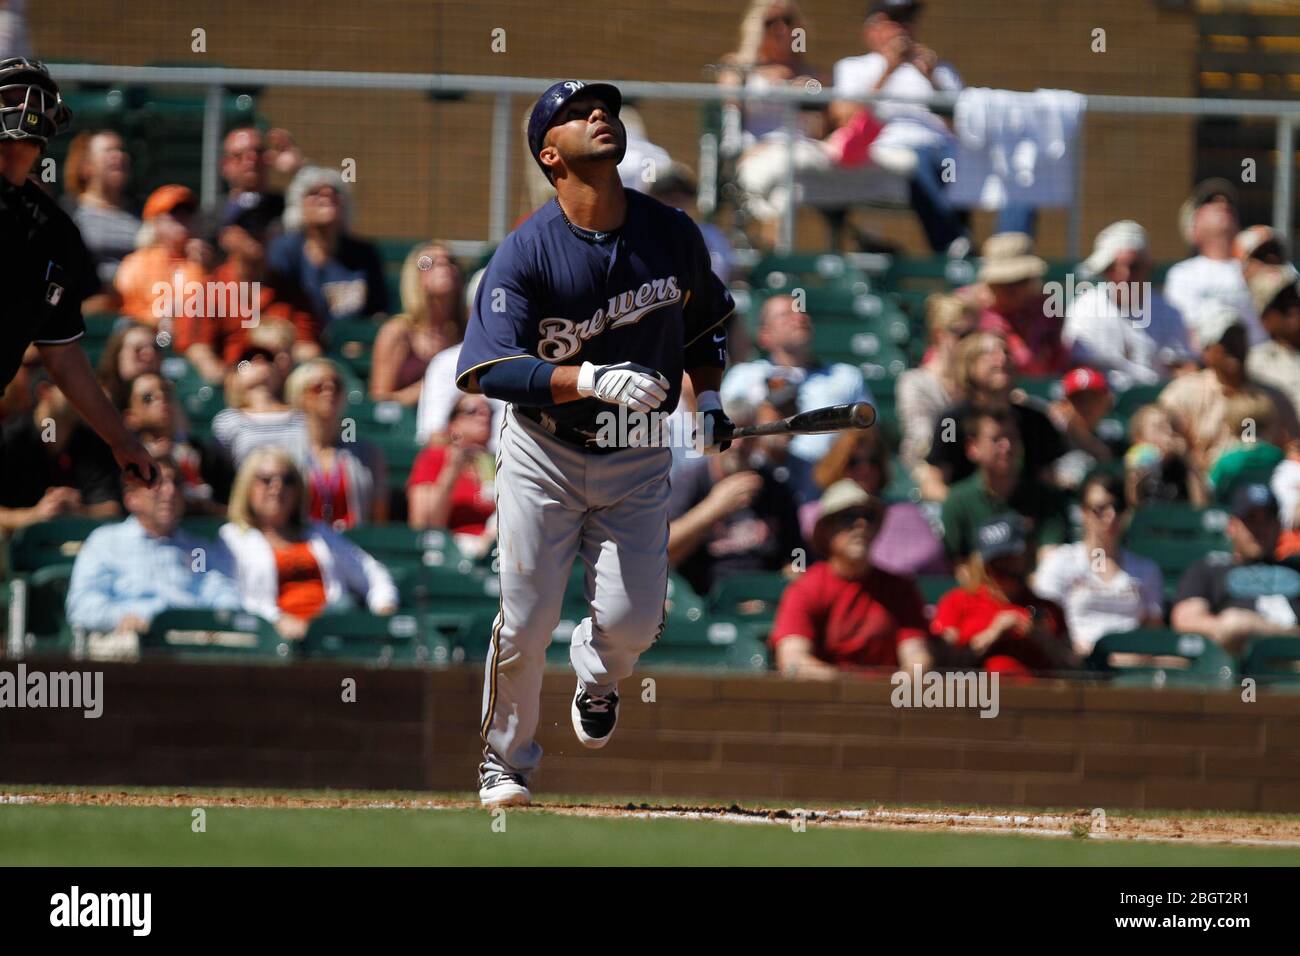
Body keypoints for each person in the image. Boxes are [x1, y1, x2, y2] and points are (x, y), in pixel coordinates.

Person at [454, 80, 735, 807]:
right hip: (543, 452)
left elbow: (707, 323)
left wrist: (707, 400)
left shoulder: (671, 233)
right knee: (526, 617)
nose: (599, 115)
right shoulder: (524, 252)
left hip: (638, 452)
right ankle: (503, 763)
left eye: (603, 107)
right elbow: (489, 369)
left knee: (634, 621)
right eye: (578, 114)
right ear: (552, 155)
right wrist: (590, 379)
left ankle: (598, 673)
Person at [0, 58, 154, 490]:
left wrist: (120, 440)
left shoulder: (55, 230)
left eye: (38, 98)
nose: (27, 106)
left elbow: (63, 355)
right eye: (11, 96)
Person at [65, 456, 242, 656]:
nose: (170, 491)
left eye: (176, 483)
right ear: (131, 498)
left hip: (189, 642)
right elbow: (82, 604)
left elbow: (218, 591)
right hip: (133, 642)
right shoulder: (106, 542)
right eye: (157, 483)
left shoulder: (196, 550)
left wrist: (215, 622)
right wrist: (122, 617)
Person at [830, 0, 969, 253]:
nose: (903, 29)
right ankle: (951, 246)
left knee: (973, 162)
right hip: (895, 147)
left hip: (946, 149)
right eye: (894, 21)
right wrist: (888, 70)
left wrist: (931, 78)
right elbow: (844, 117)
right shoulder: (854, 67)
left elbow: (962, 125)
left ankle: (989, 246)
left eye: (908, 21)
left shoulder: (941, 69)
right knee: (917, 161)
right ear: (871, 30)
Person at [219, 448, 398, 639]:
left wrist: (384, 606)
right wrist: (276, 620)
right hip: (273, 639)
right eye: (266, 479)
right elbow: (228, 595)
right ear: (247, 486)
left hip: (332, 631)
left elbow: (370, 571)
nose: (277, 487)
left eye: (288, 480)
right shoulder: (232, 538)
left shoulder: (320, 533)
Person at [769, 479, 933, 678]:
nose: (861, 525)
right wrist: (850, 687)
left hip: (888, 702)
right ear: (827, 530)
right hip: (826, 702)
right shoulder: (806, 588)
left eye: (868, 516)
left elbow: (917, 657)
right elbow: (792, 660)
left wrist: (895, 690)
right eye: (848, 518)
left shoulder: (900, 588)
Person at [717, 0, 832, 237]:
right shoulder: (738, 67)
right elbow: (729, 101)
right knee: (786, 193)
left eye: (788, 21)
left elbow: (821, 129)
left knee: (782, 178)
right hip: (755, 153)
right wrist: (753, 51)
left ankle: (770, 255)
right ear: (756, 26)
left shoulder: (810, 74)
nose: (781, 28)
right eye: (770, 22)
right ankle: (778, 264)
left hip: (800, 152)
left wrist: (808, 93)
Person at [667, 400, 804, 597]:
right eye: (729, 435)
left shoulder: (775, 486)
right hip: (703, 603)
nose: (738, 445)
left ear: (758, 440)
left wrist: (797, 568)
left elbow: (797, 550)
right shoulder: (693, 481)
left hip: (764, 600)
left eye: (746, 436)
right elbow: (661, 548)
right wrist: (714, 508)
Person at [174, 205, 321, 383]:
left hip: (283, 389)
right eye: (248, 225)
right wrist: (232, 381)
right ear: (225, 237)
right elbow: (198, 350)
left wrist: (287, 357)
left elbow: (308, 347)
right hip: (231, 391)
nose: (259, 232)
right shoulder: (208, 291)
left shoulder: (291, 291)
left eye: (265, 224)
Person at [1158, 304, 1300, 489]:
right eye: (1225, 341)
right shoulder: (1182, 395)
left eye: (1238, 338)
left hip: (1267, 488)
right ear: (1207, 351)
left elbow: (1293, 445)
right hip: (1208, 489)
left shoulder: (1275, 398)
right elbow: (1168, 445)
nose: (1234, 346)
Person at [720, 294, 872, 464]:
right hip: (757, 475)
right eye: (785, 315)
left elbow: (868, 433)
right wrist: (761, 417)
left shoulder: (845, 377)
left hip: (825, 478)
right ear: (765, 335)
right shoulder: (743, 375)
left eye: (802, 312)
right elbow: (720, 432)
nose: (800, 318)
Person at [920, 331, 1065, 501]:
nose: (1002, 359)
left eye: (1006, 352)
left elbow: (1048, 481)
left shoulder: (1037, 421)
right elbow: (932, 484)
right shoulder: (951, 423)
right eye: (989, 353)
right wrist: (965, 508)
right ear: (969, 365)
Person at [1032, 472, 1164, 656]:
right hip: (1076, 665)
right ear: (1083, 513)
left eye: (1118, 507)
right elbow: (1044, 622)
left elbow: (1153, 633)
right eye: (1100, 508)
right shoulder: (1060, 561)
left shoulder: (1147, 569)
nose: (1111, 516)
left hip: (1133, 665)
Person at [932, 514, 1076, 674]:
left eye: (1011, 559)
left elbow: (1075, 669)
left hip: (1038, 696)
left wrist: (1044, 640)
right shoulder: (956, 601)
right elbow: (942, 662)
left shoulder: (1049, 609)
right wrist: (993, 633)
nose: (1004, 568)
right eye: (996, 561)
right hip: (978, 695)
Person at [1170, 483, 1300, 653]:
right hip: (1235, 668)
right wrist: (1228, 627)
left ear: (1278, 526)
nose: (1260, 529)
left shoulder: (1296, 568)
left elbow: (1240, 625)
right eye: (1251, 520)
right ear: (1232, 526)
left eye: (1267, 520)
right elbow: (1186, 619)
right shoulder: (1210, 568)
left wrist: (1254, 627)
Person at [1063, 220, 1194, 387]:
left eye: (1134, 267)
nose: (1124, 275)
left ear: (1148, 267)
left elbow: (1184, 368)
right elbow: (1080, 369)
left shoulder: (1169, 312)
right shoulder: (1085, 308)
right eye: (1112, 267)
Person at [803, 425, 948, 575]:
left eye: (873, 461)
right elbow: (796, 564)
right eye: (853, 462)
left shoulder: (905, 511)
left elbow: (933, 555)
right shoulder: (809, 515)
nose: (865, 469)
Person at [939, 407, 1069, 565]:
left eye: (1012, 437)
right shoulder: (957, 501)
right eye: (996, 439)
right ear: (973, 447)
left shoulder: (1046, 498)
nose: (1006, 446)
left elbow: (1050, 559)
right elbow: (956, 566)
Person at [0, 371, 123, 530]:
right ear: (45, 392)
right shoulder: (11, 439)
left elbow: (112, 508)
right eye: (75, 387)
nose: (85, 394)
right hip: (16, 548)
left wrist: (78, 511)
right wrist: (35, 515)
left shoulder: (92, 441)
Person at [267, 166, 388, 325]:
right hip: (299, 343)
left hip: (354, 345)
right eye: (314, 193)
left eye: (335, 192)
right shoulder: (285, 251)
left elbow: (378, 312)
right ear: (298, 205)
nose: (326, 196)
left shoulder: (364, 254)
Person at [287, 358, 386, 529]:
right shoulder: (286, 454)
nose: (329, 391)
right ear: (300, 397)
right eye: (318, 387)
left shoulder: (367, 453)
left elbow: (378, 520)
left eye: (336, 385)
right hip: (305, 546)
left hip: (353, 548)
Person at [1163, 185, 1266, 348]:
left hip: (1263, 363)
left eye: (1228, 201)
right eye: (1210, 201)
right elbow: (1186, 331)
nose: (1223, 203)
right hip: (1209, 365)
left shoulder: (1263, 264)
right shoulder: (1183, 274)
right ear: (1193, 228)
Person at [957, 232, 1069, 377]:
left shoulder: (1047, 306)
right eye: (1004, 283)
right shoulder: (965, 308)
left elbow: (1059, 363)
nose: (1014, 290)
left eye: (1021, 281)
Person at [123, 371, 233, 513]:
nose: (161, 398)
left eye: (166, 392)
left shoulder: (205, 452)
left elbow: (228, 507)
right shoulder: (124, 459)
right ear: (131, 417)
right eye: (148, 398)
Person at [370, 241, 463, 405]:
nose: (444, 265)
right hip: (406, 427)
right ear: (414, 277)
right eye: (429, 262)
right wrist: (435, 384)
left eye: (451, 261)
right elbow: (379, 402)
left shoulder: (467, 331)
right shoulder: (398, 332)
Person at [896, 292, 976, 479]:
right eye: (962, 334)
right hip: (926, 472)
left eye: (974, 334)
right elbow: (923, 439)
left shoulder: (976, 382)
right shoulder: (915, 382)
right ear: (939, 335)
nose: (969, 342)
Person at [408, 393, 497, 555]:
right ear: (453, 424)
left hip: (495, 549)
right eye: (472, 411)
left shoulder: (498, 463)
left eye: (490, 411)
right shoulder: (434, 457)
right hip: (449, 551)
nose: (485, 416)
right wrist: (453, 469)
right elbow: (424, 525)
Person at [113, 184, 213, 327]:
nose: (182, 219)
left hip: (192, 338)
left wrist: (207, 270)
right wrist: (158, 318)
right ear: (155, 222)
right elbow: (129, 310)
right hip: (150, 337)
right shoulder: (136, 264)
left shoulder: (207, 261)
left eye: (188, 213)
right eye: (174, 213)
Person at [60, 129, 140, 296]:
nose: (119, 156)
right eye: (109, 151)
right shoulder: (67, 212)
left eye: (121, 150)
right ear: (86, 166)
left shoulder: (142, 212)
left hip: (137, 304)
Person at [209, 343, 309, 468]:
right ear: (234, 376)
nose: (259, 360)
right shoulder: (227, 420)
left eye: (268, 358)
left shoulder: (301, 416)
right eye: (247, 359)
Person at [1046, 366, 1114, 490]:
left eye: (1093, 398)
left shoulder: (1113, 433)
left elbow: (1106, 457)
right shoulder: (1052, 435)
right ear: (1064, 404)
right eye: (1078, 399)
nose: (1086, 406)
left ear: (1106, 402)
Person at [1246, 264, 1300, 415]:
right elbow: (1250, 426)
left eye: (1296, 299)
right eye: (1282, 304)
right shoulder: (1254, 364)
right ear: (1265, 318)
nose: (1294, 308)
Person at [1124, 403, 1201, 507]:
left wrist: (1189, 463)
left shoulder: (1181, 464)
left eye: (1173, 428)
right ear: (1139, 437)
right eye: (1160, 427)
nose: (1169, 432)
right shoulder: (1135, 461)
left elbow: (1200, 507)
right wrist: (1136, 479)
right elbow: (1134, 508)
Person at [217, 126, 285, 237]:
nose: (251, 161)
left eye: (258, 153)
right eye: (239, 156)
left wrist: (298, 170)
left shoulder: (285, 208)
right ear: (224, 165)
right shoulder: (212, 218)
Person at [97, 321, 161, 409]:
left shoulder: (166, 399)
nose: (150, 355)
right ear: (117, 356)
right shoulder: (97, 397)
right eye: (138, 349)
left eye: (155, 348)